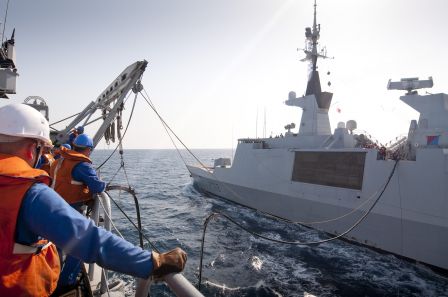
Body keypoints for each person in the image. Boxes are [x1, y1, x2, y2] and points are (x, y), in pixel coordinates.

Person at [0, 104, 187, 296]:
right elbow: (89, 239)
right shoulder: (31, 194)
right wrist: (153, 262)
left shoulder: (61, 160)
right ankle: (68, 283)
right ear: (33, 150)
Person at [50, 133, 104, 211]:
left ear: (74, 146)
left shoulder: (57, 162)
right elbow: (97, 186)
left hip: (53, 203)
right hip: (70, 208)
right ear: (88, 149)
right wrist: (103, 185)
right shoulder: (82, 166)